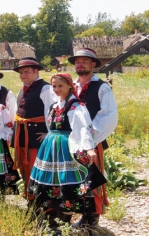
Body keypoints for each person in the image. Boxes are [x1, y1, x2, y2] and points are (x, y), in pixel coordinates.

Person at [28, 74, 97, 228]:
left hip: (66, 147)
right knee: (51, 180)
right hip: (50, 147)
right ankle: (50, 215)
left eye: (60, 86)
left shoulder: (76, 106)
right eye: (54, 86)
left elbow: (85, 128)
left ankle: (68, 216)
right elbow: (52, 125)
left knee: (67, 180)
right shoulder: (54, 106)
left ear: (69, 86)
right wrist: (50, 134)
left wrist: (89, 148)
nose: (57, 89)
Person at [68, 48, 118, 229]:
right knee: (76, 179)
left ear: (93, 64)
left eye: (85, 61)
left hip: (92, 142)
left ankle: (92, 220)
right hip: (72, 143)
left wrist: (88, 139)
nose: (80, 64)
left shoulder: (102, 87)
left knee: (92, 180)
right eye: (77, 62)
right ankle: (82, 215)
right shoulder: (70, 86)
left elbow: (108, 116)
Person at [12, 57, 57, 202]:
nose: (23, 75)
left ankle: (42, 202)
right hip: (24, 136)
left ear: (36, 71)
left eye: (27, 72)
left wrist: (49, 133)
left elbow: (52, 112)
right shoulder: (23, 90)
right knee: (25, 168)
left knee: (37, 168)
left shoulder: (45, 88)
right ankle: (31, 198)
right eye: (21, 73)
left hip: (37, 137)